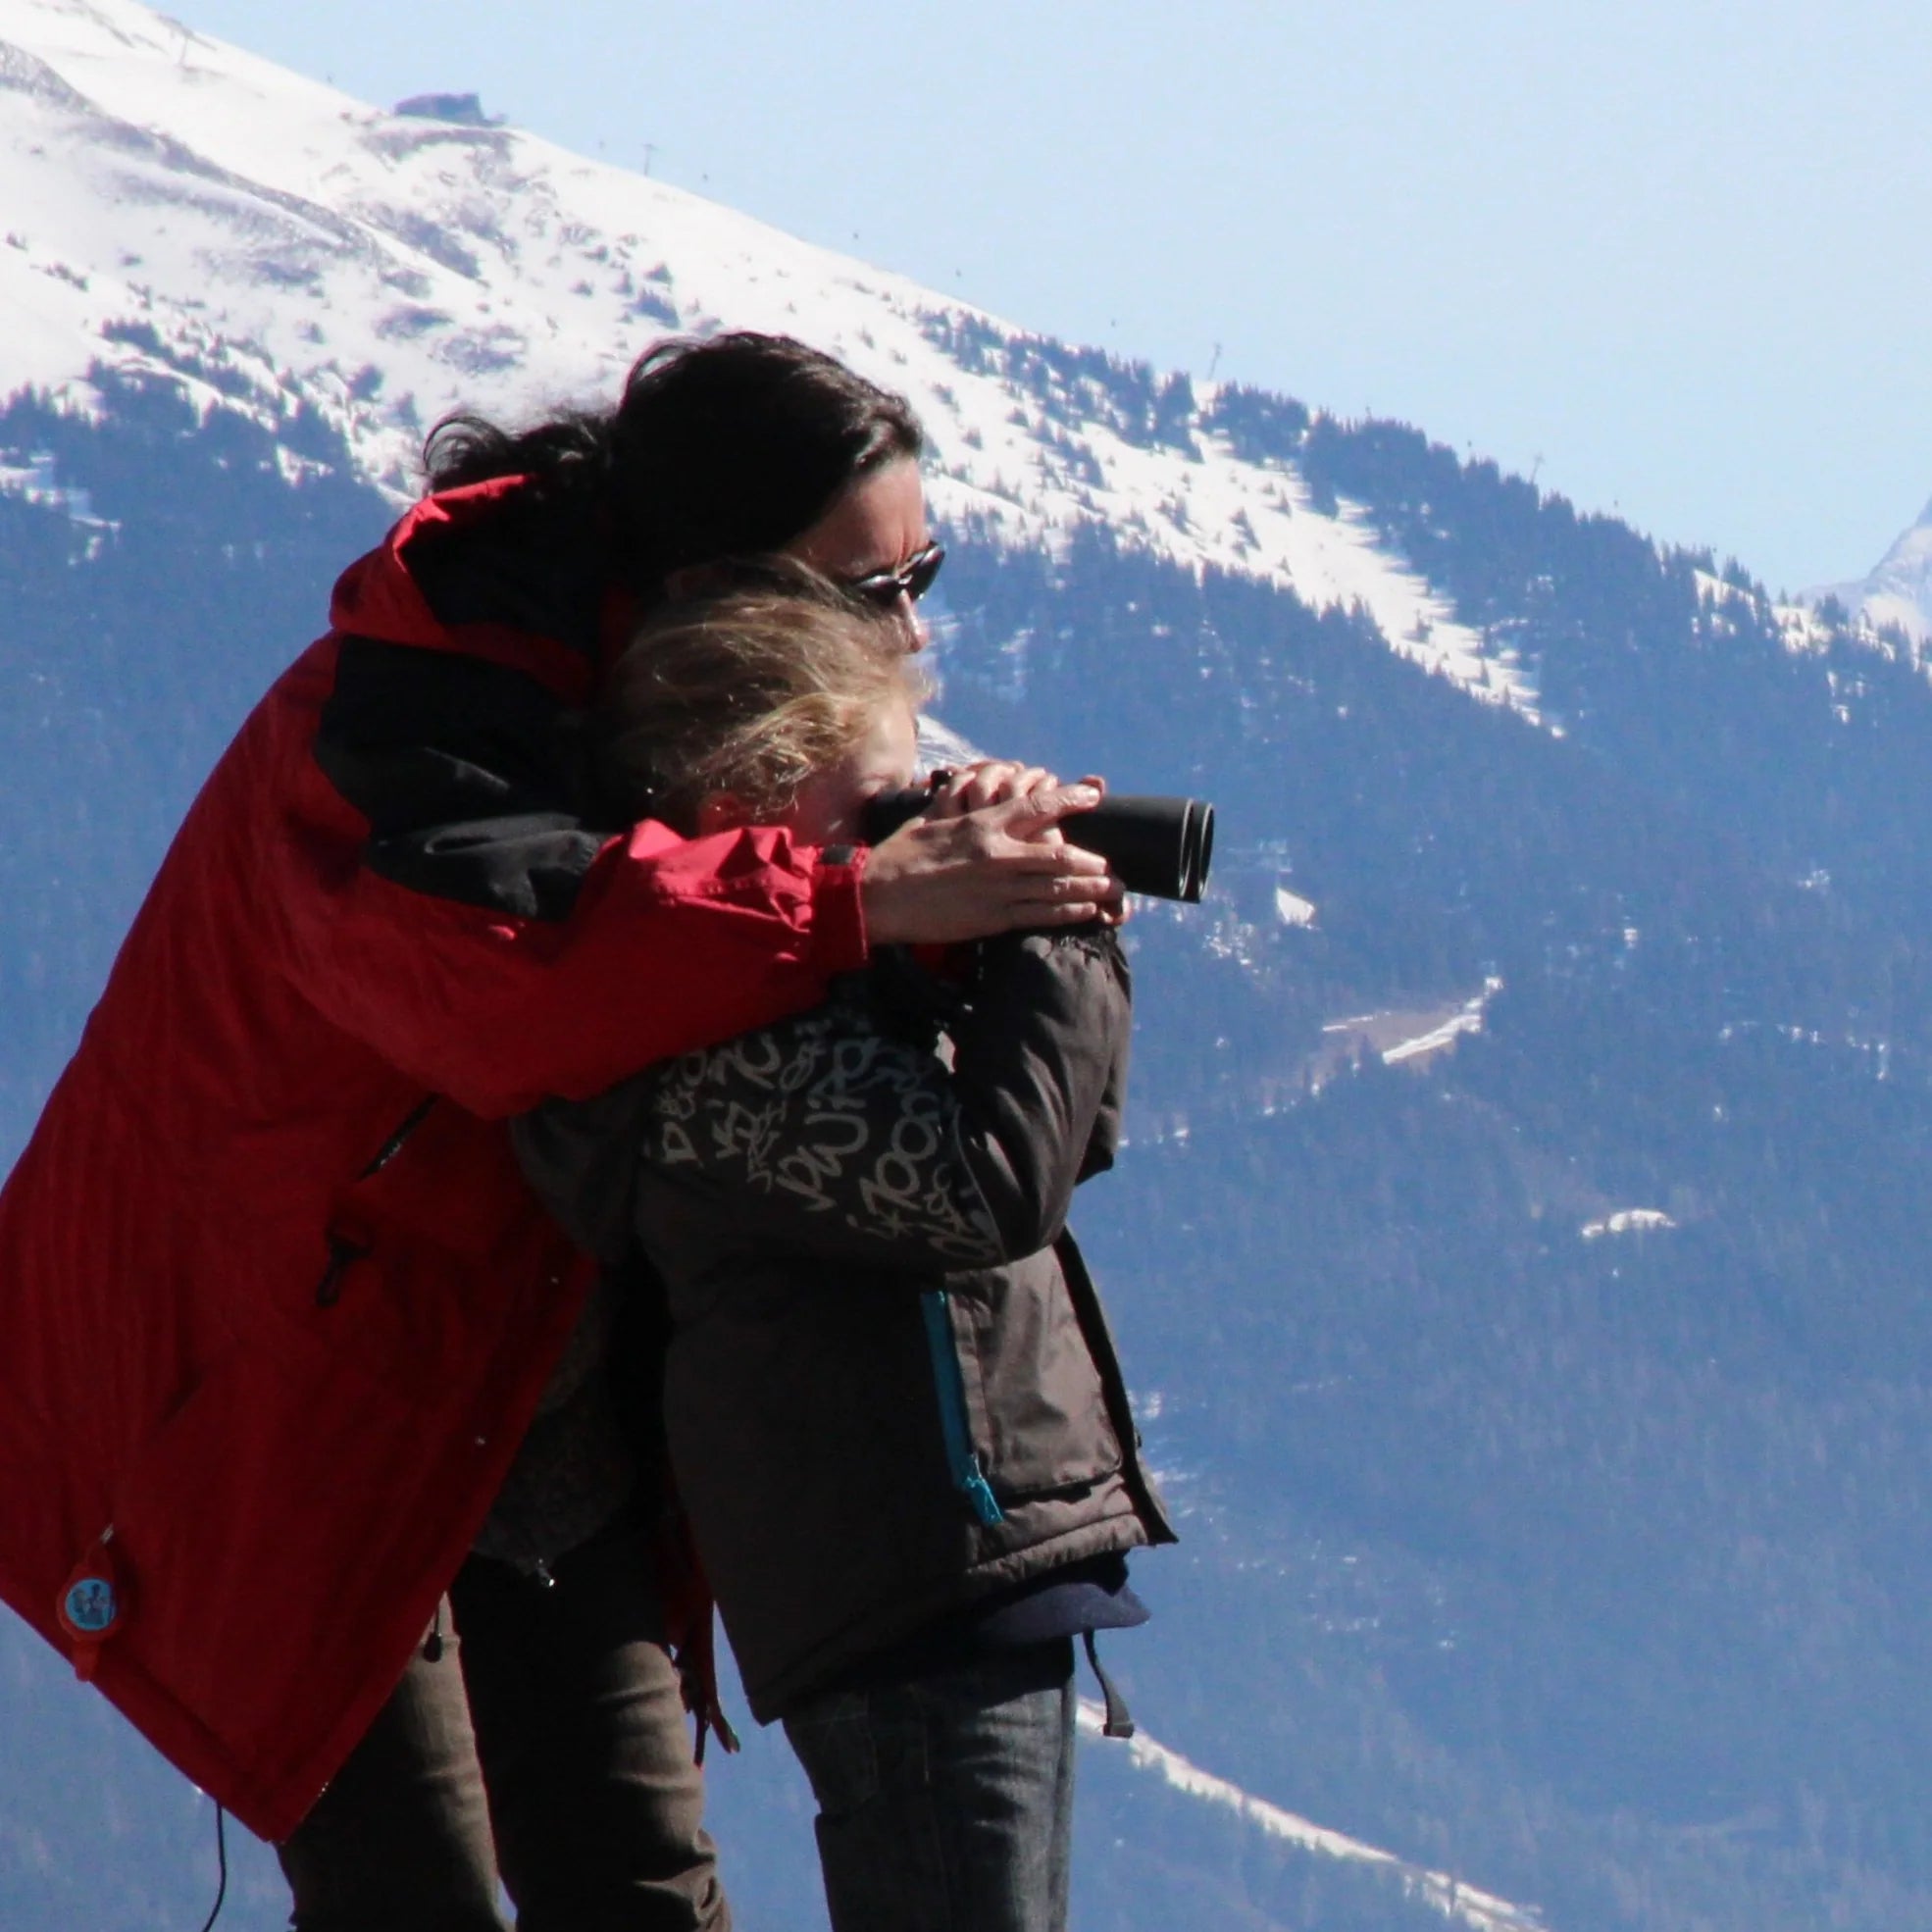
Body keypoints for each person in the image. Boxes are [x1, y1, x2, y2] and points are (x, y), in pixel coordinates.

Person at [0, 333, 1122, 1930]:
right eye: (872, 584)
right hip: (275, 1397)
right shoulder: (406, 722)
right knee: (416, 1899)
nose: (909, 625)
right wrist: (863, 900)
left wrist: (973, 916)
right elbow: (518, 979)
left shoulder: (635, 709)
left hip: (518, 1375)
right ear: (718, 570)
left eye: (920, 572)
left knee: (635, 1888)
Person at [513, 567, 1176, 1932]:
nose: (914, 826)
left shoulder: (808, 987)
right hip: (902, 1565)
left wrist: (1033, 935)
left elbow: (1070, 1139)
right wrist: (1041, 920)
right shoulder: (721, 1042)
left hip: (951, 1555)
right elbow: (991, 1185)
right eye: (875, 805)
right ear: (740, 813)